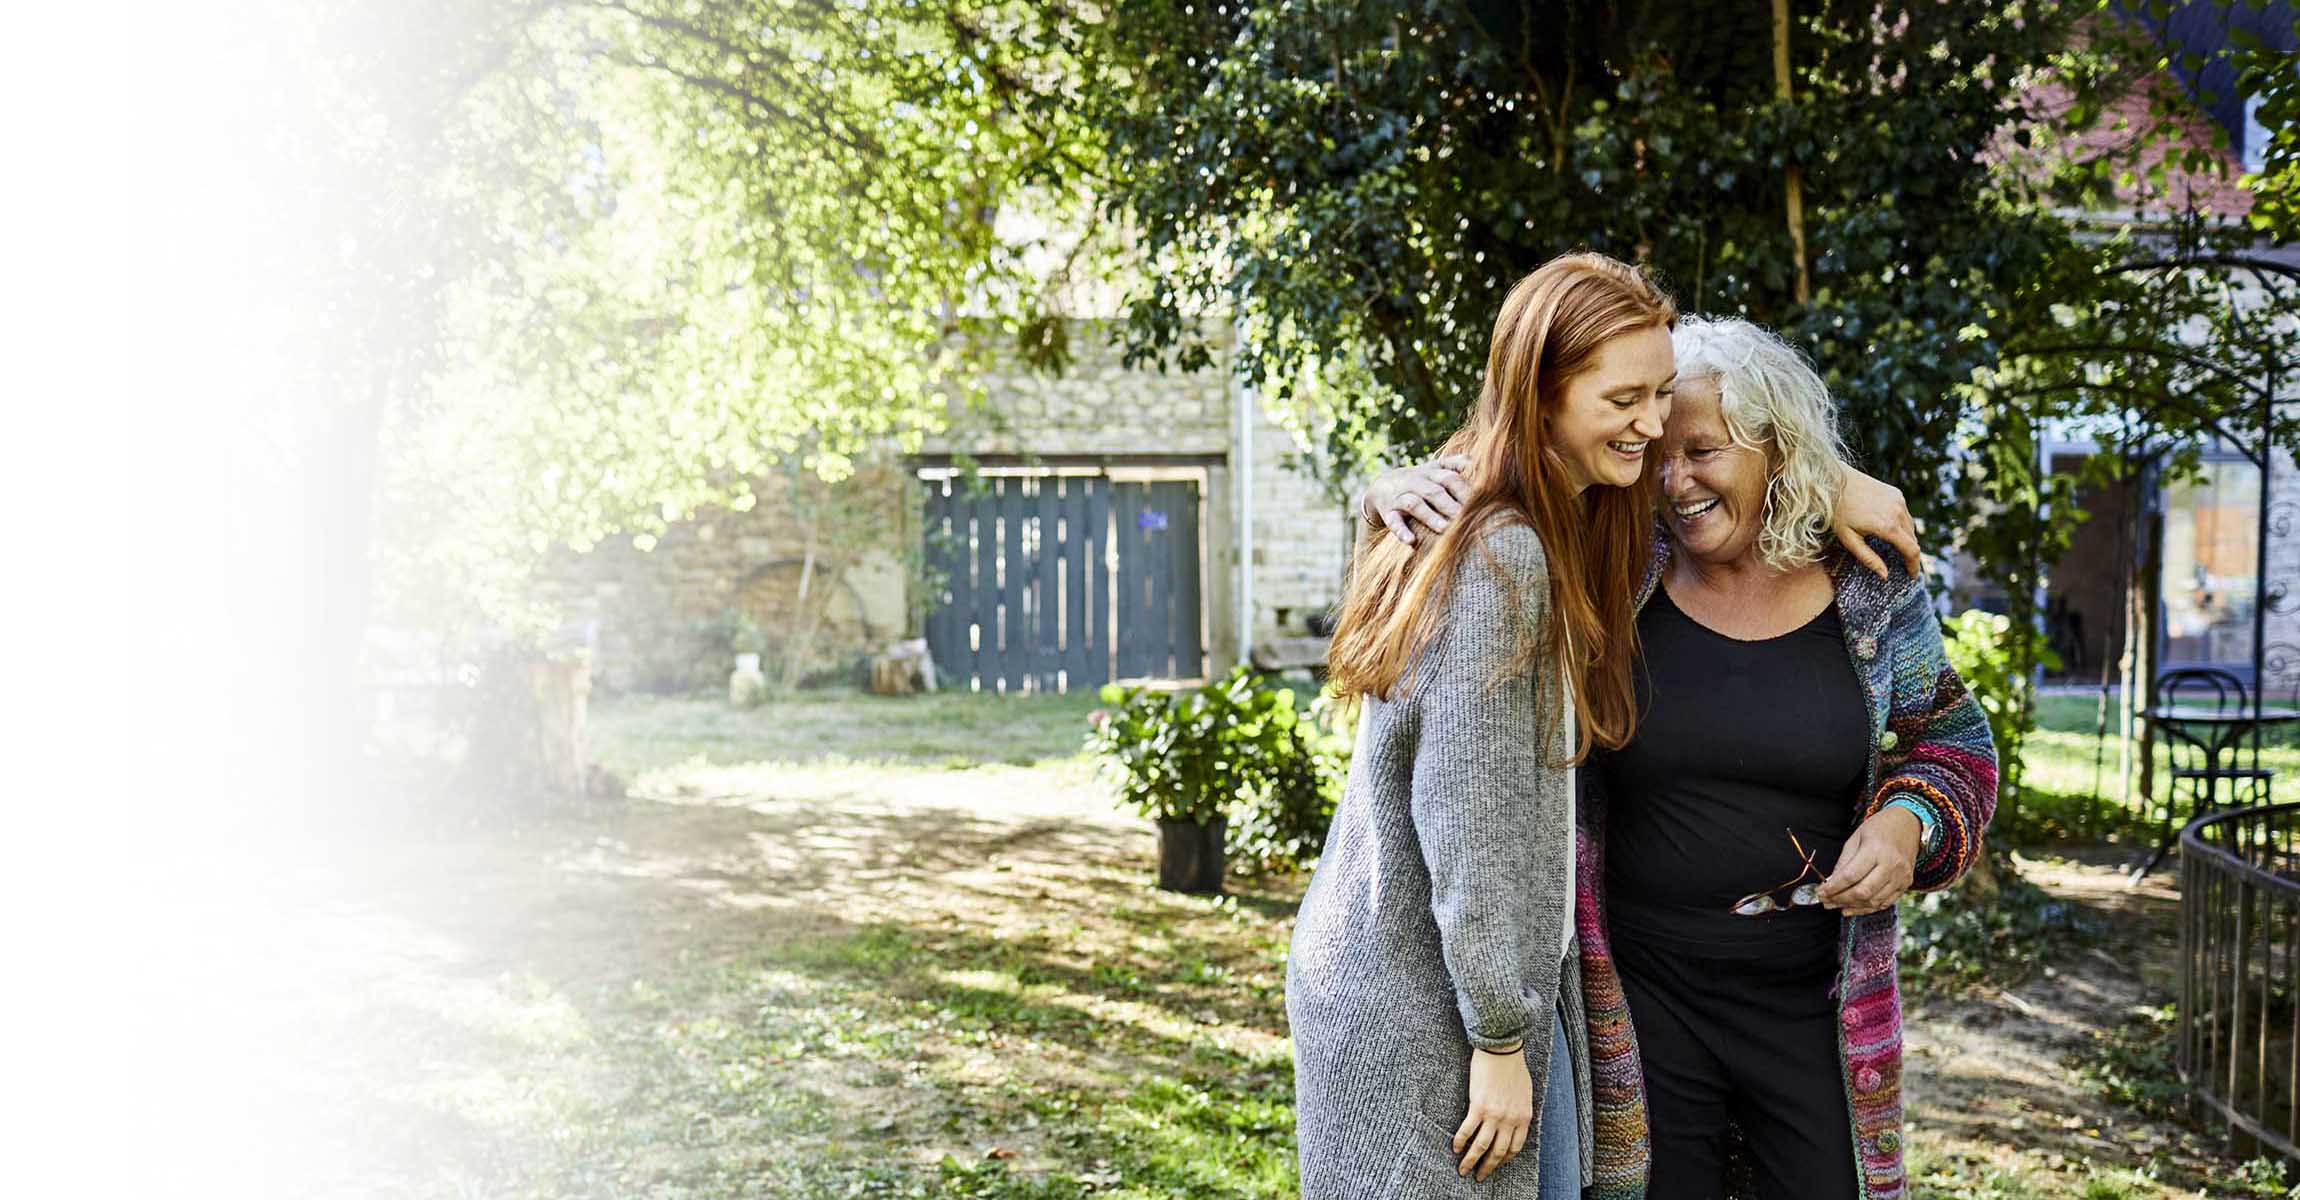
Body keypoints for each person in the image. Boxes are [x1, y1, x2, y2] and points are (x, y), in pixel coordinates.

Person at [1367, 316, 1998, 1200]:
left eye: (1703, 451)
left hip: (1810, 1003)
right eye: (1662, 453)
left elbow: (1955, 743)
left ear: (1775, 448)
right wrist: (1389, 488)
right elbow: (1512, 483)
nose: (1671, 479)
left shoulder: (1867, 583)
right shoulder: (1612, 563)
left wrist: (1909, 822)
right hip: (1642, 1001)